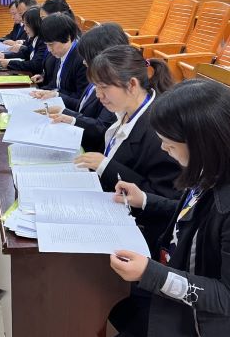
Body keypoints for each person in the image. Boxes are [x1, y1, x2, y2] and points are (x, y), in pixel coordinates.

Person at [105, 79, 230, 337]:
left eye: (169, 144)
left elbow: (225, 297)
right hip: (168, 291)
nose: (163, 149)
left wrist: (151, 274)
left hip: (197, 330)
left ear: (202, 144)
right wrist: (145, 200)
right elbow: (190, 217)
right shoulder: (208, 171)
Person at [74, 44, 180, 254]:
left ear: (131, 84)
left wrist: (106, 166)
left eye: (104, 87)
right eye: (96, 87)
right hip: (111, 205)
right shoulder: (126, 110)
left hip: (138, 233)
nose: (98, 95)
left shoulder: (159, 132)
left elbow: (162, 198)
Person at [40, 23, 125, 152]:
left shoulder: (115, 88)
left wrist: (72, 119)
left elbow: (102, 127)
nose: (84, 62)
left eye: (87, 58)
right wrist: (63, 110)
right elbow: (83, 106)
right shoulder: (96, 76)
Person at [29, 13, 88, 99]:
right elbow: (56, 84)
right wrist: (41, 90)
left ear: (68, 37)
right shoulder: (61, 52)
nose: (49, 49)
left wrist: (56, 95)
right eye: (47, 44)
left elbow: (81, 100)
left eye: (51, 44)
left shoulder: (83, 61)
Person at [0, 7, 48, 74]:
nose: (24, 29)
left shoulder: (43, 41)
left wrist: (10, 63)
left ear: (35, 24)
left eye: (26, 25)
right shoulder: (34, 38)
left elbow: (35, 65)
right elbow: (26, 53)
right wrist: (5, 56)